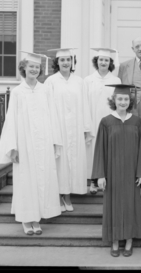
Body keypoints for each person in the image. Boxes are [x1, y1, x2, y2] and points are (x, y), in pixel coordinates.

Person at [0, 51, 62, 235]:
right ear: (24, 68)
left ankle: (37, 217)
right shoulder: (18, 92)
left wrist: (55, 142)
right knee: (26, 180)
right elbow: (11, 119)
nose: (34, 69)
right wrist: (13, 147)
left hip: (44, 141)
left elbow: (53, 115)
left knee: (42, 179)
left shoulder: (45, 90)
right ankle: (27, 219)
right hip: (24, 142)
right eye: (30, 66)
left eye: (37, 67)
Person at [91, 84, 141, 257]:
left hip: (131, 173)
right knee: (113, 207)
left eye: (126, 99)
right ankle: (115, 241)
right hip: (112, 172)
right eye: (119, 99)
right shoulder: (106, 121)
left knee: (130, 206)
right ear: (114, 100)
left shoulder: (137, 122)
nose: (123, 102)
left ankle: (129, 240)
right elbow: (99, 149)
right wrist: (100, 175)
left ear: (130, 101)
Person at [45, 48, 93, 212]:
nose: (65, 63)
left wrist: (87, 127)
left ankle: (67, 196)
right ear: (57, 62)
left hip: (76, 126)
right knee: (60, 162)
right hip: (58, 127)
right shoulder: (51, 81)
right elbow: (46, 106)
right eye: (62, 60)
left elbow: (85, 104)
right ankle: (58, 195)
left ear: (72, 62)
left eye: (68, 60)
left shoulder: (79, 81)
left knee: (73, 161)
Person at [84, 48, 121, 194]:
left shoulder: (115, 80)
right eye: (101, 60)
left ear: (110, 62)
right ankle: (93, 182)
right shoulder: (88, 80)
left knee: (109, 149)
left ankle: (109, 180)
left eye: (106, 60)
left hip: (110, 120)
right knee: (94, 150)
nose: (103, 62)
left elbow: (119, 102)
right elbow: (85, 102)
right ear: (96, 61)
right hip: (93, 120)